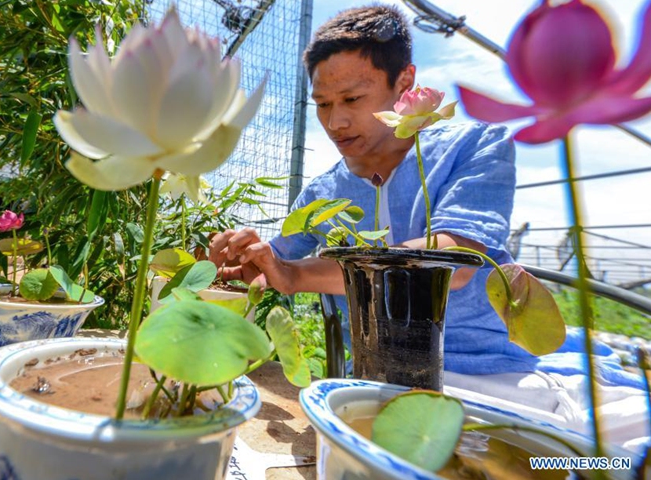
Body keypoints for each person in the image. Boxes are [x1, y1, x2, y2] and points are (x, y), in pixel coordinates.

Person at [209, 4, 649, 452]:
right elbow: (273, 264)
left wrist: (298, 274)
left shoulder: (473, 146)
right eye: (322, 104)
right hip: (374, 380)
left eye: (352, 100)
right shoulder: (321, 194)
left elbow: (453, 262)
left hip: (494, 372)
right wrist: (241, 258)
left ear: (405, 82)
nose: (334, 122)